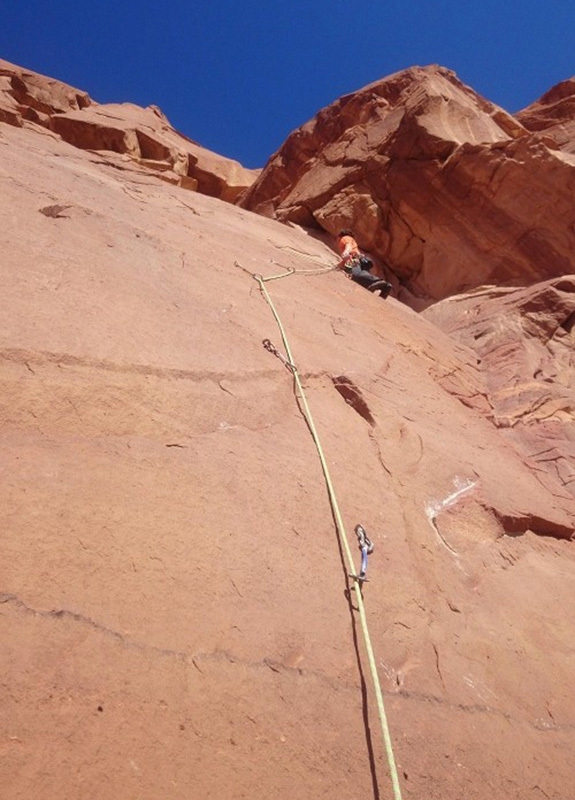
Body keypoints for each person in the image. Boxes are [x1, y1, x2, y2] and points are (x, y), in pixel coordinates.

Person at [336, 229, 392, 299]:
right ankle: (384, 289)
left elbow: (348, 246)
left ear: (339, 236)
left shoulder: (345, 238)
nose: (337, 240)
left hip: (354, 259)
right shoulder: (352, 241)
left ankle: (382, 283)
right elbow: (346, 261)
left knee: (356, 275)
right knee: (362, 277)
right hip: (360, 260)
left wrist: (346, 251)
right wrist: (337, 267)